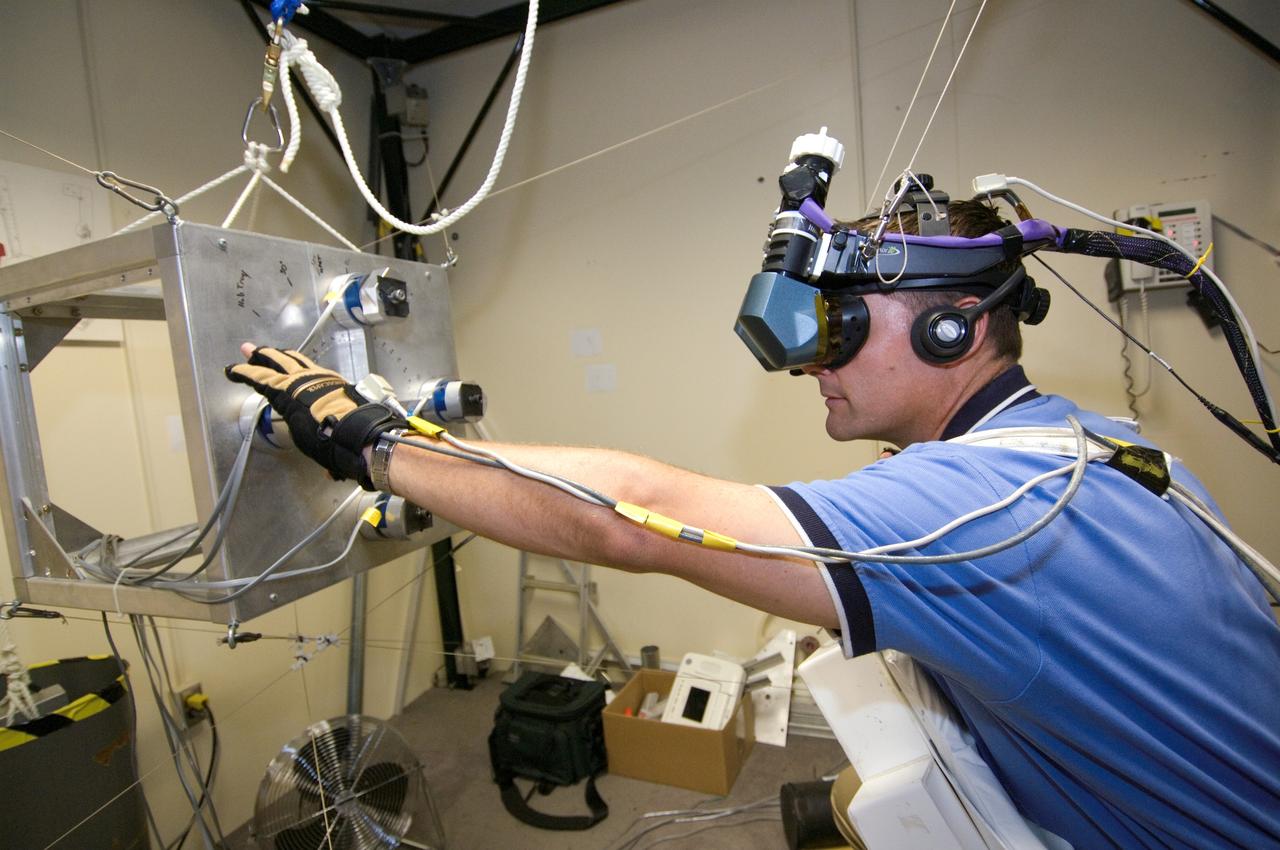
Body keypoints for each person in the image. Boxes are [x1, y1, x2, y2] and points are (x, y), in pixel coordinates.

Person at [228, 200, 1280, 850]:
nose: (810, 360)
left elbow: (634, 517)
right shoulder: (1095, 448)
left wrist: (373, 437)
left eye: (840, 325)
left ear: (954, 327)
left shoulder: (974, 512)